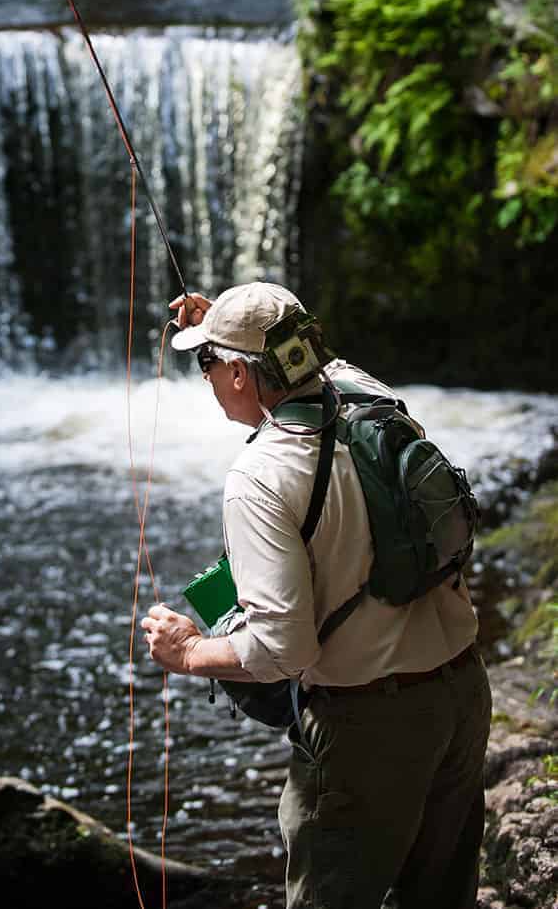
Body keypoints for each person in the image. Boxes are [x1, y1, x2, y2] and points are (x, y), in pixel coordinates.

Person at [141, 281, 491, 909]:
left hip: (369, 725)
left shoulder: (258, 477)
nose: (206, 377)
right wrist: (223, 321)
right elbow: (301, 356)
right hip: (463, 694)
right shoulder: (371, 394)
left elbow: (283, 649)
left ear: (243, 376)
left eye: (207, 362)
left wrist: (189, 651)